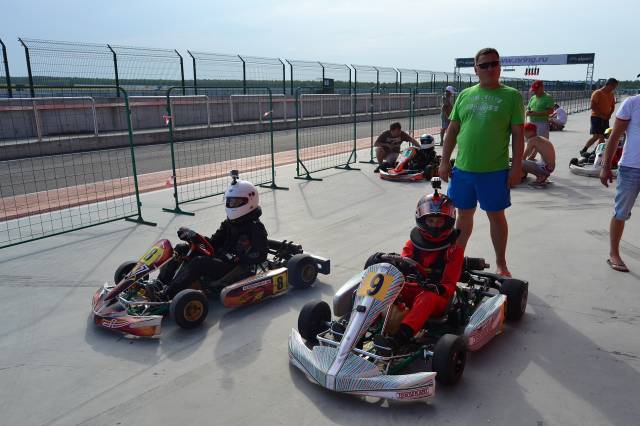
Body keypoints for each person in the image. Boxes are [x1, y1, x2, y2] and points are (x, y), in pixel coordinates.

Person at [438, 47, 525, 277]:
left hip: (494, 171)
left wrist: (517, 166)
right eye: (484, 65)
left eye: (494, 64)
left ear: (500, 67)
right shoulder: (465, 95)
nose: (489, 68)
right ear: (476, 70)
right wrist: (444, 161)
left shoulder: (512, 96)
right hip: (463, 170)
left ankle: (501, 263)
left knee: (496, 216)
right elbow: (453, 130)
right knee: (463, 216)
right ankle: (455, 261)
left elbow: (518, 135)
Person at [374, 185, 464, 350]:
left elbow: (450, 285)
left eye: (439, 221)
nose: (435, 226)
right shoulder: (412, 243)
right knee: (382, 284)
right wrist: (394, 263)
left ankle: (398, 340)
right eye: (431, 221)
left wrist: (436, 287)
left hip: (436, 298)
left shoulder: (454, 251)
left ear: (448, 221)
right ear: (422, 220)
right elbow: (403, 265)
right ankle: (357, 327)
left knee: (426, 298)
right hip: (410, 288)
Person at [151, 173, 268, 299]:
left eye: (235, 202)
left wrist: (239, 257)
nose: (231, 205)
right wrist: (194, 237)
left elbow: (260, 254)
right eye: (229, 201)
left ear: (249, 201)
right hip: (219, 257)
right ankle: (160, 283)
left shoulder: (255, 227)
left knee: (199, 262)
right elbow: (213, 242)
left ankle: (168, 294)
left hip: (233, 267)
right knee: (181, 248)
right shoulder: (229, 223)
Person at [600, 94, 640, 273]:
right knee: (621, 212)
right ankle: (614, 254)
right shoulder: (632, 103)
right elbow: (614, 136)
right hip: (631, 168)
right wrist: (606, 166)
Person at [581, 78, 618, 156]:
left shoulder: (611, 94)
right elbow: (593, 106)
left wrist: (609, 115)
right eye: (613, 87)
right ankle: (584, 150)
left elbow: (612, 106)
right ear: (608, 85)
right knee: (596, 136)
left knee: (603, 136)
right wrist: (601, 115)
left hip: (605, 118)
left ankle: (596, 152)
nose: (614, 89)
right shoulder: (597, 93)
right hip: (596, 117)